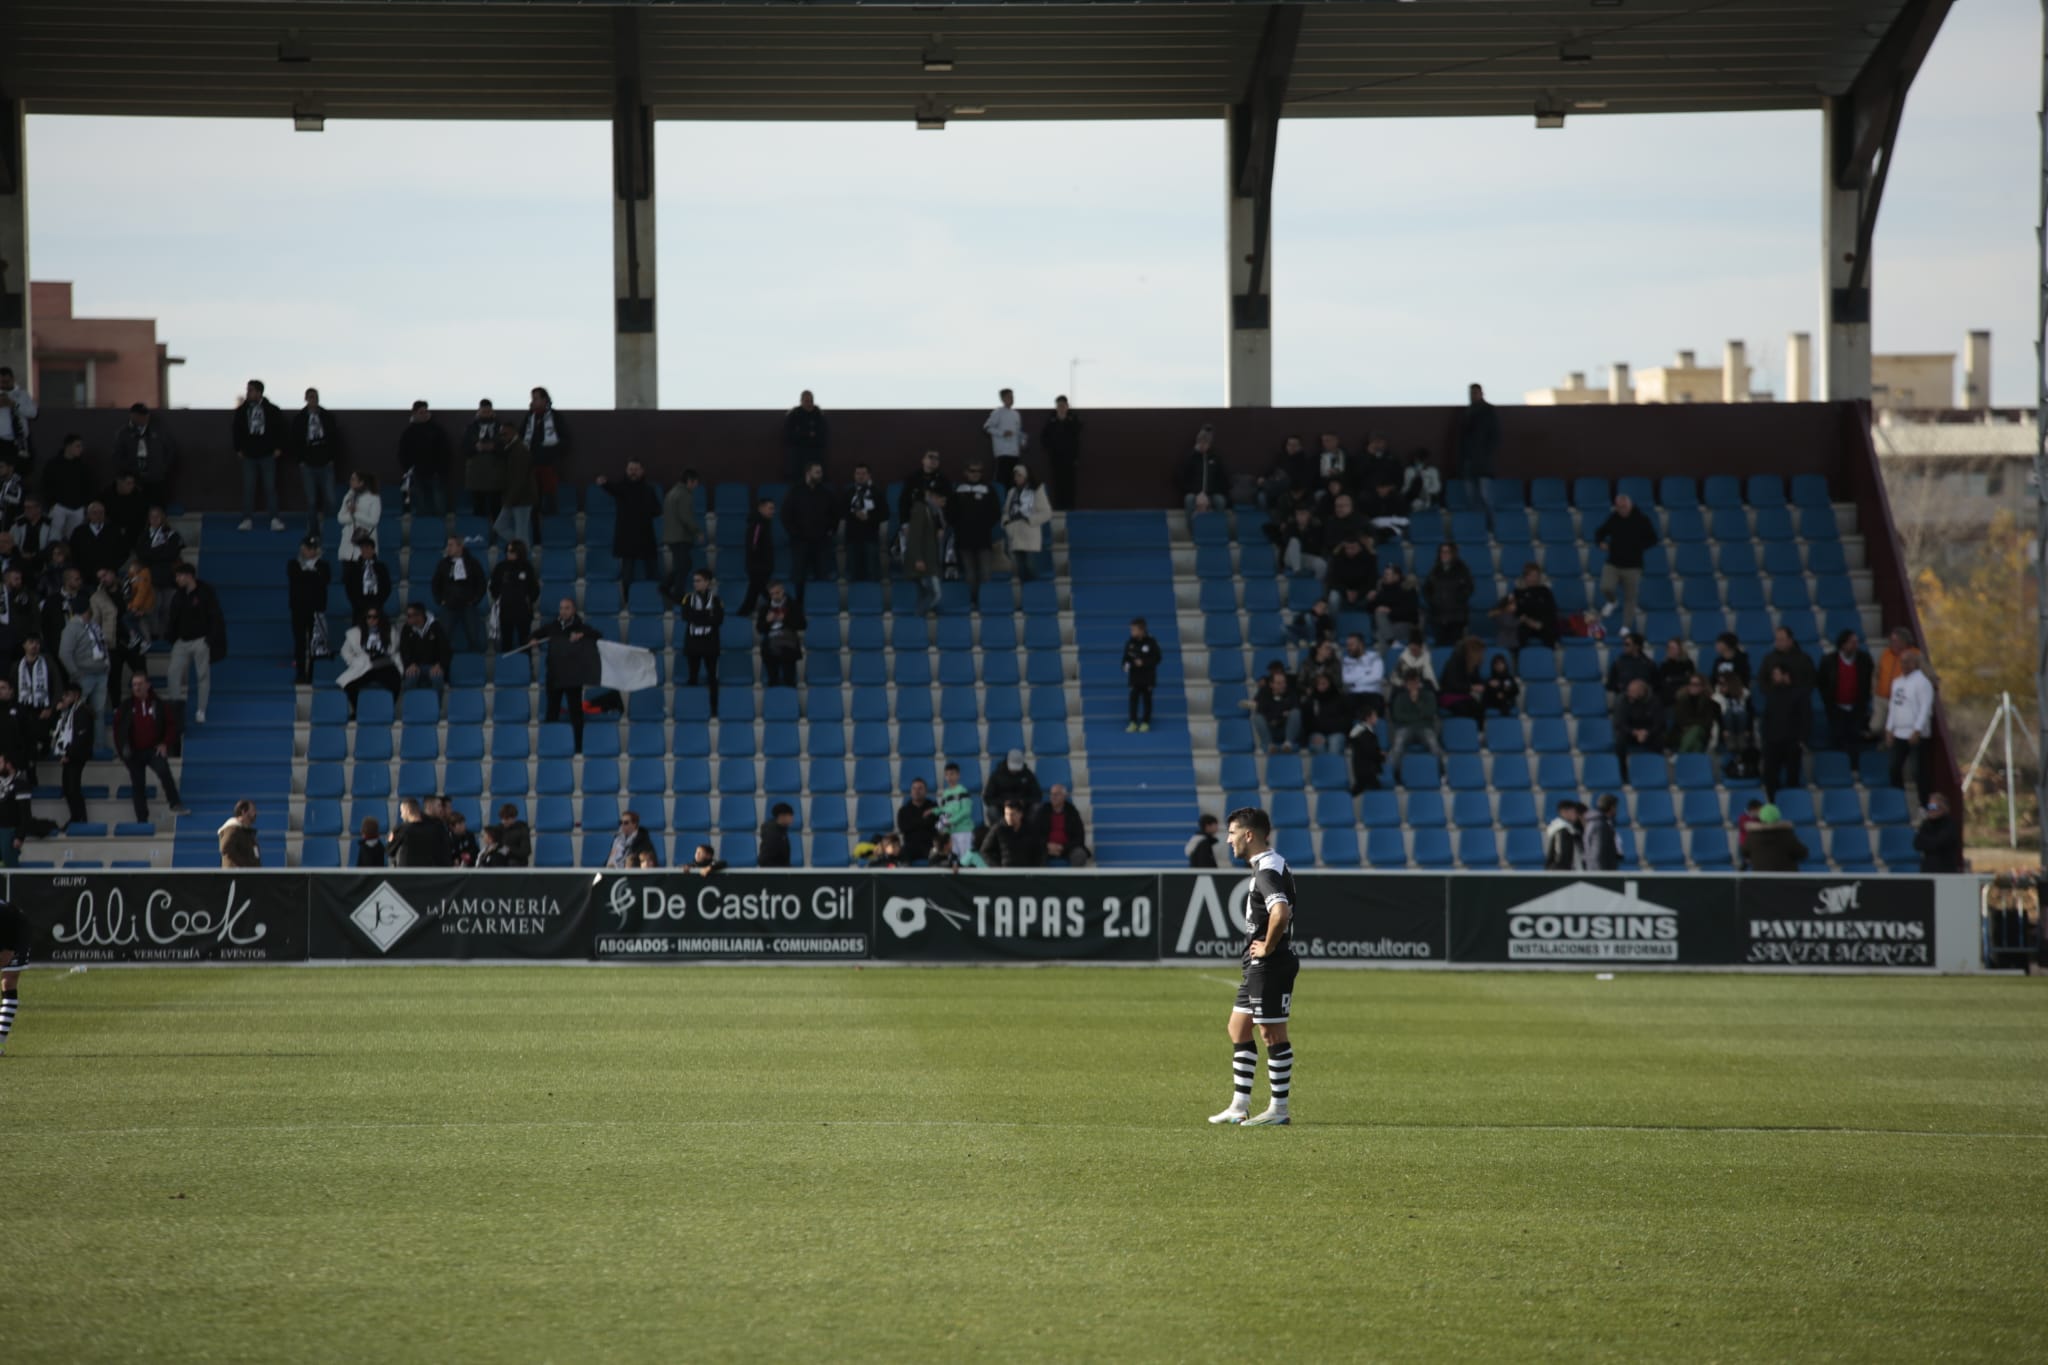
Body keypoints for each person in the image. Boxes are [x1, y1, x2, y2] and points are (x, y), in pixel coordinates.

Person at [1207, 807, 1298, 1127]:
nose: (1228, 840)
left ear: (1249, 835)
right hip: (1257, 964)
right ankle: (1239, 1105)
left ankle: (1279, 1109)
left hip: (1270, 964)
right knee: (1238, 1027)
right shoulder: (1265, 864)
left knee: (1271, 1033)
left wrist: (1269, 946)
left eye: (1232, 833)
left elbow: (1280, 912)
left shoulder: (1267, 869)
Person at [113, 673, 188, 822]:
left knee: (164, 772)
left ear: (148, 685)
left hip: (153, 749)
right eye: (134, 684)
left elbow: (171, 725)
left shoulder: (158, 704)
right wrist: (123, 751)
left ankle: (175, 803)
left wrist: (165, 743)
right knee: (138, 785)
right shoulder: (126, 706)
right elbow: (118, 730)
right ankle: (142, 818)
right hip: (134, 752)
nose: (137, 687)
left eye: (140, 683)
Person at [532, 599, 599, 753]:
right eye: (561, 608)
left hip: (573, 677)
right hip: (554, 676)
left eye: (567, 608)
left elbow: (597, 635)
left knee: (576, 714)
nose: (563, 611)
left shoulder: (580, 626)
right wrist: (533, 639)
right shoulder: (553, 626)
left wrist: (582, 635)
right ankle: (550, 746)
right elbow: (535, 634)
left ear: (573, 610)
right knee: (552, 712)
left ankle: (578, 747)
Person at [164, 563, 225, 725]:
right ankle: (176, 709)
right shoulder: (178, 596)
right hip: (182, 641)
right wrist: (172, 637)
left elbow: (215, 616)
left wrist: (209, 639)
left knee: (202, 675)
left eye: (179, 576)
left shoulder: (206, 592)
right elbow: (173, 619)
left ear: (189, 576)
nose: (177, 579)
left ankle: (201, 710)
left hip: (200, 640)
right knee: (173, 673)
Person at [1593, 493, 1657, 630]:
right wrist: (1600, 542)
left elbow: (1653, 538)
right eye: (1619, 507)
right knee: (1605, 586)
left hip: (1633, 566)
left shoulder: (1642, 520)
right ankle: (1612, 601)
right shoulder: (1613, 519)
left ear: (1630, 505)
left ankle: (1626, 627)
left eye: (1624, 507)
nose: (1622, 510)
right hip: (1613, 562)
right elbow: (1600, 532)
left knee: (1630, 598)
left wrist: (1638, 546)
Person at [595, 460, 663, 588]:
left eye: (636, 469)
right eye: (631, 469)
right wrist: (604, 483)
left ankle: (654, 598)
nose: (633, 472)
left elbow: (657, 510)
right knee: (627, 574)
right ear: (626, 471)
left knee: (653, 571)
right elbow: (611, 488)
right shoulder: (621, 487)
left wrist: (646, 511)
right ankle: (628, 601)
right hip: (627, 536)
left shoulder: (649, 489)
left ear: (642, 471)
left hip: (645, 534)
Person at [230, 379, 286, 532]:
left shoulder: (272, 410)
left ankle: (274, 518)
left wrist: (279, 448)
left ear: (259, 393)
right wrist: (238, 449)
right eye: (247, 390)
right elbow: (236, 430)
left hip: (268, 454)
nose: (248, 393)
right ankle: (247, 519)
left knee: (270, 488)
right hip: (249, 455)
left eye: (251, 390)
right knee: (249, 488)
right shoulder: (242, 411)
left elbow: (281, 430)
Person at [780, 462, 839, 608]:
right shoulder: (795, 492)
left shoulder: (826, 493)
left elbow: (835, 515)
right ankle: (798, 606)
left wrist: (831, 530)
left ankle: (821, 606)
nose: (820, 475)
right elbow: (786, 516)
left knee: (822, 575)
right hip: (800, 542)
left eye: (820, 472)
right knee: (799, 576)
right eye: (817, 472)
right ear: (808, 473)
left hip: (822, 542)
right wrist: (795, 534)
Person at [1884, 648, 1937, 804]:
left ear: (1915, 663)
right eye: (1902, 662)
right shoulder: (1897, 682)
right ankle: (1899, 801)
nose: (1904, 665)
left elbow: (1925, 708)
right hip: (1899, 732)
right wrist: (1889, 728)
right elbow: (1893, 706)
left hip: (1916, 734)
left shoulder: (1922, 682)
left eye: (1907, 662)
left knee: (1918, 772)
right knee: (1894, 768)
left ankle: (1923, 805)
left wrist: (1917, 729)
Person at [950, 461, 1002, 609]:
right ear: (966, 472)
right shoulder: (958, 490)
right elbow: (950, 513)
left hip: (983, 539)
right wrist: (960, 526)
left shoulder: (988, 489)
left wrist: (984, 525)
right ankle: (973, 602)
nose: (975, 474)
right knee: (970, 575)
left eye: (978, 471)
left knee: (986, 574)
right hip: (964, 540)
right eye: (972, 471)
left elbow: (996, 512)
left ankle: (985, 603)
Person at [1816, 629, 1873, 760]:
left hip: (1857, 708)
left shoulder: (1865, 659)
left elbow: (1869, 682)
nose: (1855, 645)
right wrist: (1829, 702)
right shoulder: (1829, 660)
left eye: (1856, 642)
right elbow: (1821, 682)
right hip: (1836, 708)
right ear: (1843, 644)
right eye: (1852, 642)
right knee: (1837, 738)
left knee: (1855, 740)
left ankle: (1855, 768)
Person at [294, 388, 343, 534]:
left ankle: (331, 528)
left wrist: (332, 458)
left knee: (330, 498)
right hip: (308, 464)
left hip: (325, 462)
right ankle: (314, 532)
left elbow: (335, 438)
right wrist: (301, 460)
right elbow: (295, 440)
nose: (313, 399)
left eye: (315, 397)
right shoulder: (300, 418)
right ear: (306, 399)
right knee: (312, 500)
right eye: (310, 397)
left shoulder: (327, 416)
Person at [338, 606, 402, 719]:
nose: (371, 620)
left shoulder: (390, 631)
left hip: (384, 664)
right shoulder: (355, 633)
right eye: (369, 617)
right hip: (365, 665)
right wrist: (354, 662)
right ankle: (359, 711)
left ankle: (387, 710)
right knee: (350, 685)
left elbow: (396, 650)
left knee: (395, 683)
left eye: (375, 617)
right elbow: (345, 651)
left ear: (380, 618)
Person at [521, 387, 571, 531]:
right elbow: (521, 437)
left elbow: (565, 440)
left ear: (544, 400)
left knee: (549, 503)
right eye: (532, 398)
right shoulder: (529, 417)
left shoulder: (555, 417)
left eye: (536, 398)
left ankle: (552, 535)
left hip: (549, 467)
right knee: (532, 506)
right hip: (531, 468)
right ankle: (536, 538)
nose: (533, 401)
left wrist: (550, 452)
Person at [112, 402, 179, 508]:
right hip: (134, 480)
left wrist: (162, 468)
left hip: (156, 479)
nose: (144, 418)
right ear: (132, 416)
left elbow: (171, 450)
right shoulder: (123, 433)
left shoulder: (158, 431)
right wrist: (127, 472)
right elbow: (117, 456)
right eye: (140, 415)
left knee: (157, 508)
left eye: (146, 415)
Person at [678, 569, 725, 716]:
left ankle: (713, 709)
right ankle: (693, 709)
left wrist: (698, 616)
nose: (695, 584)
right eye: (694, 581)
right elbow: (686, 616)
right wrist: (706, 615)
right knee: (692, 677)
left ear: (707, 582)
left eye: (698, 580)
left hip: (710, 643)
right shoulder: (688, 598)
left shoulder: (716, 600)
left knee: (712, 678)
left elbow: (718, 620)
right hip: (693, 643)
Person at [1758, 663, 1809, 801]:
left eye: (1776, 674)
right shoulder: (1772, 693)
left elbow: (1805, 718)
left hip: (1792, 742)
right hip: (1772, 741)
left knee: (1793, 776)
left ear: (1786, 675)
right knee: (1770, 776)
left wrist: (1801, 739)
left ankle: (1792, 804)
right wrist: (1764, 737)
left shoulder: (1799, 693)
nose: (1773, 677)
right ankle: (1774, 803)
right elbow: (1767, 717)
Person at [430, 535, 487, 654]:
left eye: (451, 545)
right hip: (449, 605)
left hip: (468, 605)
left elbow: (481, 583)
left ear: (460, 546)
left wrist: (475, 600)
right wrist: (440, 600)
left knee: (473, 637)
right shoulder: (443, 564)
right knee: (443, 637)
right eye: (448, 545)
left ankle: (474, 663)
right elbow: (436, 584)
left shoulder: (472, 563)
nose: (448, 548)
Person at [400, 400, 455, 521]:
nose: (424, 414)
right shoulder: (409, 432)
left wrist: (441, 469)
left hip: (436, 472)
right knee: (420, 501)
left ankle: (440, 525)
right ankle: (424, 525)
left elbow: (445, 451)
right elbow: (403, 453)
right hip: (417, 472)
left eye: (426, 411)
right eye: (421, 412)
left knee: (439, 501)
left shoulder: (437, 430)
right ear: (414, 413)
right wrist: (408, 469)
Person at [488, 538, 539, 666]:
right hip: (505, 610)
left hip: (523, 611)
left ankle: (526, 668)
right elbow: (493, 586)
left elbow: (534, 588)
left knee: (524, 641)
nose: (508, 553)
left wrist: (528, 600)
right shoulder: (501, 567)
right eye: (508, 550)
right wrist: (499, 597)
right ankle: (506, 668)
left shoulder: (527, 567)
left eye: (511, 551)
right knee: (506, 641)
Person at [49, 681, 92, 828]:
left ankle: (80, 818)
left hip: (77, 756)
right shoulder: (68, 713)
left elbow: (80, 738)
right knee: (67, 788)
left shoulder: (82, 712)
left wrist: (69, 755)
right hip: (69, 755)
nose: (64, 698)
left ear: (76, 695)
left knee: (73, 788)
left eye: (67, 696)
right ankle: (76, 817)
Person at [1385, 672, 1446, 774]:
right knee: (1397, 746)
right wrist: (1419, 716)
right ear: (1406, 684)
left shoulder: (1428, 695)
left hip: (1425, 727)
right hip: (1405, 727)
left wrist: (1417, 702)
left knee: (1434, 745)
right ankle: (1392, 775)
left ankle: (1441, 773)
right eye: (1410, 683)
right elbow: (1398, 716)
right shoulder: (1400, 697)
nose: (1413, 686)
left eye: (1416, 683)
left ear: (1419, 683)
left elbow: (1430, 712)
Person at [1002, 463, 1053, 584]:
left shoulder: (1037, 490)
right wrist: (1006, 523)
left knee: (1030, 568)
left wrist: (1029, 519)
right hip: (1014, 533)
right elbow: (1005, 511)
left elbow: (1047, 513)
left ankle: (1033, 596)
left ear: (1026, 476)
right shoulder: (1012, 492)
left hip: (1029, 533)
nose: (1016, 478)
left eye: (1019, 475)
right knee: (1018, 570)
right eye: (1015, 476)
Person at [1456, 382, 1498, 516]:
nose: (1472, 396)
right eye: (1471, 393)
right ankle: (1478, 526)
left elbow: (1495, 436)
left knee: (1486, 495)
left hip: (1483, 462)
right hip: (1469, 460)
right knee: (1471, 497)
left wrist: (1485, 453)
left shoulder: (1488, 410)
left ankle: (1491, 526)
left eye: (1475, 393)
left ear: (1481, 393)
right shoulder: (1468, 412)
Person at [493, 421, 537, 549]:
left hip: (522, 498)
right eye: (500, 434)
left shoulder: (519, 450)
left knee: (521, 533)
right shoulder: (513, 449)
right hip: (515, 497)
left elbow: (519, 479)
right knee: (502, 527)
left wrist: (509, 499)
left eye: (505, 434)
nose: (502, 437)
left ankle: (523, 555)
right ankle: (521, 549)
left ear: (514, 432)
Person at [42, 432, 93, 542]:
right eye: (78, 446)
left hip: (78, 508)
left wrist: (85, 505)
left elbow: (88, 486)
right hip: (58, 507)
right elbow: (45, 485)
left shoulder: (83, 467)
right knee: (54, 537)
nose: (81, 449)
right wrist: (51, 504)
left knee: (75, 539)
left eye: (81, 446)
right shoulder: (53, 465)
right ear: (68, 446)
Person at [754, 580, 806, 689]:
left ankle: (790, 699)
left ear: (783, 591)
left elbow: (802, 625)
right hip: (770, 645)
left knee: (789, 680)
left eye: (777, 593)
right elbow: (759, 629)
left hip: (789, 644)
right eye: (772, 594)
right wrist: (767, 621)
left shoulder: (793, 605)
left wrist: (785, 619)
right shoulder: (765, 608)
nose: (775, 596)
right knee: (772, 680)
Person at [905, 485, 947, 618]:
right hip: (924, 561)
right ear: (932, 497)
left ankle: (918, 624)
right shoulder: (920, 509)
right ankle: (917, 618)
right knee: (934, 594)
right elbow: (914, 536)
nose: (943, 504)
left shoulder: (932, 512)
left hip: (930, 560)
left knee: (925, 594)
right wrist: (918, 558)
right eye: (941, 500)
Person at [1423, 543, 1475, 647]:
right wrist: (1433, 600)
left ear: (1453, 554)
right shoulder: (1435, 570)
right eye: (1442, 552)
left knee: (1456, 649)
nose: (1444, 554)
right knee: (1440, 648)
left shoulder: (1462, 569)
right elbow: (1426, 589)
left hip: (1456, 617)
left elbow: (1469, 588)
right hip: (1438, 616)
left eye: (1447, 552)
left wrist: (1458, 599)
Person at [840, 464, 884, 584]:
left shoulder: (877, 492)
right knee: (853, 573)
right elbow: (841, 512)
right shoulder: (848, 492)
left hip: (870, 537)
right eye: (857, 474)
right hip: (852, 537)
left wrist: (869, 517)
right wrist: (854, 513)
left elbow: (885, 514)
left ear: (869, 475)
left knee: (872, 572)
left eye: (863, 474)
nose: (860, 476)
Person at [399, 603, 452, 701]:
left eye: (410, 616)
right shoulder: (406, 629)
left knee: (437, 677)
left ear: (419, 616)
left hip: (433, 666)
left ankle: (436, 707)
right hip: (415, 666)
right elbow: (404, 650)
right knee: (410, 679)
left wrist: (440, 665)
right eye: (407, 615)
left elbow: (445, 650)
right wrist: (410, 664)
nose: (407, 618)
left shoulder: (436, 627)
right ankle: (411, 707)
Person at [1031, 784, 1091, 867]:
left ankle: (1075, 879)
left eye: (1056, 794)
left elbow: (1079, 837)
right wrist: (1047, 845)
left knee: (1079, 854)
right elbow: (1035, 833)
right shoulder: (1043, 811)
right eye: (1051, 794)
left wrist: (1063, 847)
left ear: (1064, 796)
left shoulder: (1072, 812)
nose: (1053, 797)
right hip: (1046, 847)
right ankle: (1040, 879)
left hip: (1067, 848)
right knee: (1033, 852)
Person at [1243, 671, 1302, 754]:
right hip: (1270, 728)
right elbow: (1259, 709)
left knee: (1296, 713)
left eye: (1284, 682)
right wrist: (1280, 714)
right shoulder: (1263, 693)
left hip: (1286, 729)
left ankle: (1288, 744)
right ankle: (1269, 745)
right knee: (1257, 717)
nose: (1282, 685)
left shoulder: (1290, 692)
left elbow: (1295, 708)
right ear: (1271, 684)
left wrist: (1274, 715)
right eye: (1279, 683)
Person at [0, 894, 30, 1053]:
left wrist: (8, 951)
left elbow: (6, 956)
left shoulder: (7, 917)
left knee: (8, 982)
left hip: (16, 931)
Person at [1040, 395, 1082, 511]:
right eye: (1059, 406)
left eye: (1063, 406)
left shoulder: (1073, 419)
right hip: (1056, 458)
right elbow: (1044, 438)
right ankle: (1059, 507)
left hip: (1070, 458)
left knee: (1070, 483)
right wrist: (1051, 450)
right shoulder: (1051, 421)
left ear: (1067, 406)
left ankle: (1070, 507)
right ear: (1056, 407)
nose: (1061, 408)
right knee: (1058, 483)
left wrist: (1067, 419)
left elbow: (1077, 434)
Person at [1872, 627, 1916, 737]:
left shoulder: (1914, 654)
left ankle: (1888, 745)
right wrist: (1873, 689)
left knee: (1897, 728)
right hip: (1881, 697)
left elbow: (1926, 670)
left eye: (1896, 640)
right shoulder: (1885, 654)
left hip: (1900, 699)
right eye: (1892, 640)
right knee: (1875, 726)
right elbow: (1876, 672)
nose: (1893, 643)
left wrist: (1933, 678)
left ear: (1904, 641)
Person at [661, 468, 702, 583]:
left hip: (671, 537)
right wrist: (697, 531)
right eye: (695, 483)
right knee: (683, 567)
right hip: (680, 537)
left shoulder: (671, 493)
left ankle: (667, 586)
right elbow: (686, 517)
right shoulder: (684, 495)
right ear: (689, 481)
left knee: (683, 566)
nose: (696, 486)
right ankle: (674, 591)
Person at [738, 495, 777, 616]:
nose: (773, 511)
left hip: (761, 566)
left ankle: (742, 615)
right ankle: (780, 609)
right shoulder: (758, 524)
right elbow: (753, 546)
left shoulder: (765, 523)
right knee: (767, 593)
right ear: (761, 508)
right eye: (770, 508)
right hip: (758, 567)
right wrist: (762, 564)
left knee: (753, 594)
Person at [1180, 426, 1230, 519]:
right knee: (1189, 499)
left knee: (1220, 501)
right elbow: (1182, 478)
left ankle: (1215, 528)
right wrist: (1198, 493)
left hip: (1211, 493)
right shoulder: (1191, 457)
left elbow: (1223, 480)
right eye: (1200, 443)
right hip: (1194, 493)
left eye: (1205, 443)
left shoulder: (1215, 458)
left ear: (1209, 444)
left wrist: (1207, 494)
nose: (1203, 446)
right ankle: (1191, 531)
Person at [1123, 616, 1162, 733]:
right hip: (1134, 678)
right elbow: (1125, 659)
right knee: (1133, 700)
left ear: (1141, 630)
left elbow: (1158, 658)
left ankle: (1145, 722)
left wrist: (1143, 662)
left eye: (1134, 630)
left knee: (1147, 700)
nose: (1132, 632)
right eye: (1131, 630)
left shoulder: (1151, 642)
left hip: (1148, 678)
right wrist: (1125, 665)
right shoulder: (1129, 643)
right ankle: (1133, 722)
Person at [979, 800, 1045, 868]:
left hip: (1026, 873)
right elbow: (985, 851)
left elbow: (1039, 852)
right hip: (1005, 874)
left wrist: (1033, 870)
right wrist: (997, 868)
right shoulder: (998, 829)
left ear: (1020, 814)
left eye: (1012, 814)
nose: (1009, 817)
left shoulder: (1031, 830)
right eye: (1006, 814)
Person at [1299, 673, 1354, 755]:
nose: (1321, 686)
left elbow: (1346, 722)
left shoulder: (1341, 699)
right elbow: (1307, 723)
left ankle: (1334, 767)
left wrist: (1327, 732)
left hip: (1337, 733)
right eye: (1318, 684)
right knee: (1318, 745)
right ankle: (1323, 767)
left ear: (1330, 684)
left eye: (1323, 683)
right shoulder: (1311, 701)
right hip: (1317, 733)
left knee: (1334, 744)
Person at [343, 541, 391, 631]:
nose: (365, 551)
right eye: (363, 548)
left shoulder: (381, 567)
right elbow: (349, 588)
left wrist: (378, 602)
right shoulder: (354, 568)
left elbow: (387, 587)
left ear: (373, 550)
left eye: (368, 548)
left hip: (377, 605)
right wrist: (357, 603)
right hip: (359, 607)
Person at [1745, 803, 1808, 872]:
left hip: (1761, 880)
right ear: (1778, 817)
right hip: (1786, 879)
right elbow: (1802, 853)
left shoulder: (1752, 836)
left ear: (1760, 818)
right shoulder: (1787, 835)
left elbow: (1744, 853)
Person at [783, 390, 829, 483]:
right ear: (801, 401)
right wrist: (806, 435)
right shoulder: (794, 414)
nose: (809, 404)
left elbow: (823, 436)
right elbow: (788, 436)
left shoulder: (819, 414)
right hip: (798, 456)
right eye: (806, 401)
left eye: (811, 401)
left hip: (815, 455)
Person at [391, 798, 453, 869]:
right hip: (418, 870)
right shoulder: (420, 826)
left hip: (437, 869)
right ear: (430, 806)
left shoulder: (440, 825)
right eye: (439, 806)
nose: (441, 809)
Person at [1759, 626, 1816, 700]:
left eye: (1781, 640)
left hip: (1799, 704)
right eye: (1777, 640)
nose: (1778, 643)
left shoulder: (1804, 659)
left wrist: (1791, 682)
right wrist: (1774, 683)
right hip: (1775, 702)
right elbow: (1762, 680)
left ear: (1790, 641)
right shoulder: (1769, 658)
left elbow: (1811, 681)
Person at [983, 387, 1026, 488]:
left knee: (1014, 481)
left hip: (1015, 454)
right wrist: (1002, 433)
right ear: (1002, 399)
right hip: (1002, 453)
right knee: (1002, 481)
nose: (1011, 399)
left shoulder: (1016, 414)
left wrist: (1022, 442)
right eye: (1008, 397)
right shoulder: (997, 412)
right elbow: (986, 427)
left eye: (1012, 396)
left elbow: (1018, 432)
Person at [983, 749, 1043, 819]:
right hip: (1002, 810)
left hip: (1023, 809)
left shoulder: (1027, 775)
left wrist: (1024, 801)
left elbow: (1037, 795)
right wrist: (1003, 802)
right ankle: (999, 829)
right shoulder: (997, 775)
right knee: (991, 810)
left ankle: (1030, 829)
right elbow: (988, 798)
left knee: (1037, 807)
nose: (1014, 771)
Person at [337, 471, 382, 563]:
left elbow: (374, 521)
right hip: (348, 544)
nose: (350, 481)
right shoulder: (348, 496)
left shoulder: (374, 498)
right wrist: (352, 516)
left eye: (353, 479)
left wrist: (356, 514)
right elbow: (340, 518)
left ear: (361, 482)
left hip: (365, 542)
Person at [1438, 636, 1486, 722]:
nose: (1482, 655)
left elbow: (1477, 680)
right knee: (1463, 710)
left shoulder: (1473, 664)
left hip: (1464, 695)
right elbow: (1452, 685)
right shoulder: (1453, 662)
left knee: (1479, 708)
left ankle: (1479, 733)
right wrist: (1471, 687)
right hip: (1449, 694)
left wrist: (1484, 685)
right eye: (1480, 652)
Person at [936, 762, 976, 865]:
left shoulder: (963, 791)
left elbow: (966, 811)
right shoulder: (945, 794)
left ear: (958, 775)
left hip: (964, 831)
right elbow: (944, 811)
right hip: (951, 832)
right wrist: (943, 825)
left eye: (952, 774)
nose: (949, 777)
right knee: (953, 860)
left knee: (965, 860)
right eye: (947, 775)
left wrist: (950, 821)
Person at [1914, 794, 1964, 874]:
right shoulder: (1926, 824)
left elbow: (1940, 842)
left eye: (1933, 807)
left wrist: (1928, 841)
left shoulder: (1950, 825)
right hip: (1927, 870)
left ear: (1943, 808)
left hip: (1946, 870)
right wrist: (1932, 841)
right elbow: (1917, 844)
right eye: (1929, 807)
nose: (1930, 810)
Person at [896, 776, 940, 865]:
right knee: (902, 853)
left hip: (929, 845)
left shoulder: (933, 807)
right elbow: (903, 828)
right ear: (911, 791)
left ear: (925, 791)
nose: (917, 791)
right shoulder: (904, 810)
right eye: (914, 788)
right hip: (910, 846)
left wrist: (913, 822)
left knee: (937, 855)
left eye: (920, 788)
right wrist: (923, 821)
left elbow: (935, 825)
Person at [1671, 673, 1718, 753]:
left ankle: (1680, 756)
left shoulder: (1709, 703)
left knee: (1696, 729)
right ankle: (1691, 762)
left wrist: (1691, 725)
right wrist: (1695, 722)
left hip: (1702, 731)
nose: (1693, 686)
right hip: (1682, 731)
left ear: (1703, 686)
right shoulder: (1681, 701)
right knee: (1697, 744)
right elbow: (1680, 719)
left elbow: (1706, 721)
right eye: (1691, 684)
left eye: (1696, 684)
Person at [1617, 678, 1662, 757]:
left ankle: (1656, 765)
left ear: (1642, 692)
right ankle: (1622, 768)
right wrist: (1635, 732)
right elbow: (1621, 723)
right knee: (1620, 741)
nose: (1629, 693)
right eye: (1629, 690)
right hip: (1632, 733)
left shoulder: (1654, 701)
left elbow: (1658, 723)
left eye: (1633, 691)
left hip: (1648, 733)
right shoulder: (1624, 701)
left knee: (1659, 740)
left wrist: (1647, 733)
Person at [1582, 793, 1621, 871]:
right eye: (1616, 807)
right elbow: (1597, 852)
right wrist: (1601, 876)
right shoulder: (1600, 825)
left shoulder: (1595, 823)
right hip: (1600, 872)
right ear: (1612, 807)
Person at [218, 799, 261, 869]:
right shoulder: (232, 829)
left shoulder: (247, 832)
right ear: (244, 811)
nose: (255, 813)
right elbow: (224, 848)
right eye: (253, 810)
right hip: (237, 876)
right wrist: (243, 865)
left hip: (248, 876)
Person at [1543, 799, 1583, 871]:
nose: (1576, 815)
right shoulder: (1563, 831)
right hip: (1561, 873)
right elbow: (1562, 857)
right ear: (1563, 812)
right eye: (1573, 811)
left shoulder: (1561, 828)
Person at [1655, 638, 1696, 708]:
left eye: (1673, 648)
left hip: (1683, 690)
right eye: (1669, 648)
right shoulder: (1665, 664)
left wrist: (1671, 679)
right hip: (1668, 692)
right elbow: (1661, 681)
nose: (1670, 650)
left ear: (1680, 649)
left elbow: (1688, 679)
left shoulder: (1688, 663)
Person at [493, 803, 532, 868]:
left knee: (512, 862)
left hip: (517, 861)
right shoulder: (499, 828)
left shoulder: (522, 829)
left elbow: (526, 851)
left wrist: (509, 850)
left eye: (506, 819)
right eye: (502, 819)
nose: (503, 821)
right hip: (502, 858)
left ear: (514, 818)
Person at [758, 802, 795, 868]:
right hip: (774, 874)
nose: (792, 818)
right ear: (781, 816)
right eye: (790, 815)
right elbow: (765, 859)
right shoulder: (772, 834)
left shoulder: (782, 831)